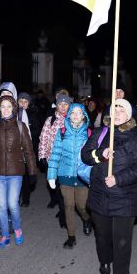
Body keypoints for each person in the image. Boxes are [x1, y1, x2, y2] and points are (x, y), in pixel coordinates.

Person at [80, 98, 137, 274]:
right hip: (100, 195)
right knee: (102, 236)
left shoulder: (136, 138)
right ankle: (105, 260)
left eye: (122, 109)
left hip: (124, 199)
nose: (117, 112)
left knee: (122, 242)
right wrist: (101, 154)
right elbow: (85, 156)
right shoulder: (101, 133)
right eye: (115, 108)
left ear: (129, 115)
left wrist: (119, 179)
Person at [0, 95, 37, 248]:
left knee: (12, 204)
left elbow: (29, 150)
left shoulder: (20, 126)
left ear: (14, 108)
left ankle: (17, 229)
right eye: (3, 106)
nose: (6, 109)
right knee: (1, 206)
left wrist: (32, 171)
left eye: (9, 106)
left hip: (16, 171)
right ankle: (4, 235)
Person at [47, 102, 92, 249]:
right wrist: (51, 175)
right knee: (68, 205)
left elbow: (93, 157)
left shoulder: (90, 133)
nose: (76, 115)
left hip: (82, 176)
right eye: (73, 112)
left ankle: (87, 219)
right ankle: (71, 236)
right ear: (69, 115)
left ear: (84, 115)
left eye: (79, 112)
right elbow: (55, 154)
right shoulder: (62, 132)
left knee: (81, 206)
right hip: (65, 174)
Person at [38, 93, 73, 225]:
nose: (63, 107)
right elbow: (44, 138)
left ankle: (66, 210)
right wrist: (41, 156)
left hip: (68, 161)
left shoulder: (73, 119)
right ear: (56, 106)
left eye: (65, 104)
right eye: (60, 104)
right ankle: (63, 211)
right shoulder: (50, 120)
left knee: (67, 189)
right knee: (58, 188)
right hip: (53, 161)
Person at [17, 92, 40, 207]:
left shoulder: (33, 114)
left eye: (25, 102)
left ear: (29, 104)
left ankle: (26, 199)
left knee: (26, 175)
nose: (23, 104)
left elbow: (37, 131)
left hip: (28, 149)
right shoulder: (14, 113)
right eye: (21, 101)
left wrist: (28, 131)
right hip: (16, 150)